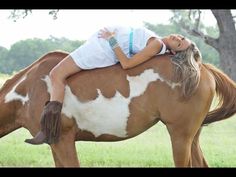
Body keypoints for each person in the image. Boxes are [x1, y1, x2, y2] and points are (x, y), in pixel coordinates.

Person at [25, 25, 192, 145]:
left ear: (173, 52)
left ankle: (48, 129)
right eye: (182, 38)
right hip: (102, 45)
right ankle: (50, 128)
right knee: (58, 74)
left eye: (179, 43)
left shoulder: (157, 45)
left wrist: (112, 40)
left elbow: (127, 63)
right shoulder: (158, 42)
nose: (178, 38)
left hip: (103, 49)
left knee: (56, 74)